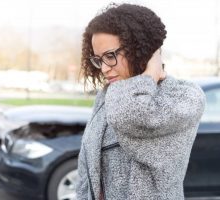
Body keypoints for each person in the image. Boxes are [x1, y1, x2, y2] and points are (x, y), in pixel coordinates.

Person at [76, 3, 206, 200]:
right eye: (98, 59)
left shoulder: (183, 96)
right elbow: (86, 173)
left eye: (110, 56)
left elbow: (130, 116)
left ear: (139, 48)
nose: (103, 68)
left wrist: (150, 74)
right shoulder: (107, 96)